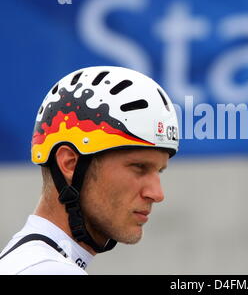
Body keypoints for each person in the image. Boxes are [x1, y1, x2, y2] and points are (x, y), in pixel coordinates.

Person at [0, 66, 179, 274]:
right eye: (139, 167)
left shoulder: (27, 261)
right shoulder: (48, 270)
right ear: (70, 163)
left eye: (160, 171)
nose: (157, 194)